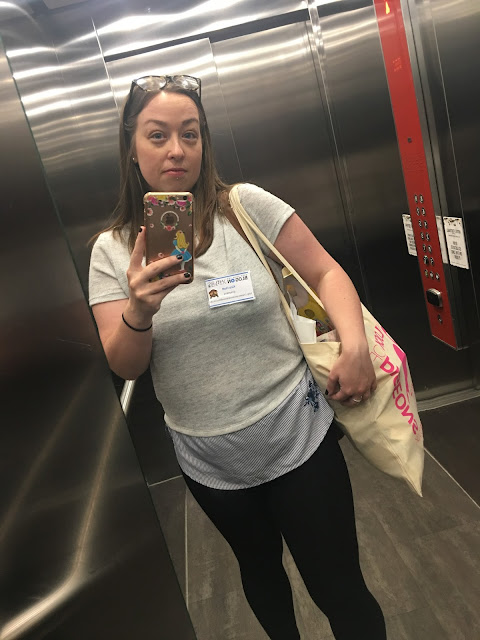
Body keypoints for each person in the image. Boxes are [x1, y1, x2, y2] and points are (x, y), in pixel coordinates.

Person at [89, 74, 387, 640]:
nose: (177, 150)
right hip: (211, 463)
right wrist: (139, 309)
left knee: (339, 587)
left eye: (190, 134)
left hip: (298, 438)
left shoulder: (243, 207)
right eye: (157, 135)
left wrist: (354, 347)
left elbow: (326, 271)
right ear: (131, 146)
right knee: (261, 575)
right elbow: (125, 365)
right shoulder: (111, 251)